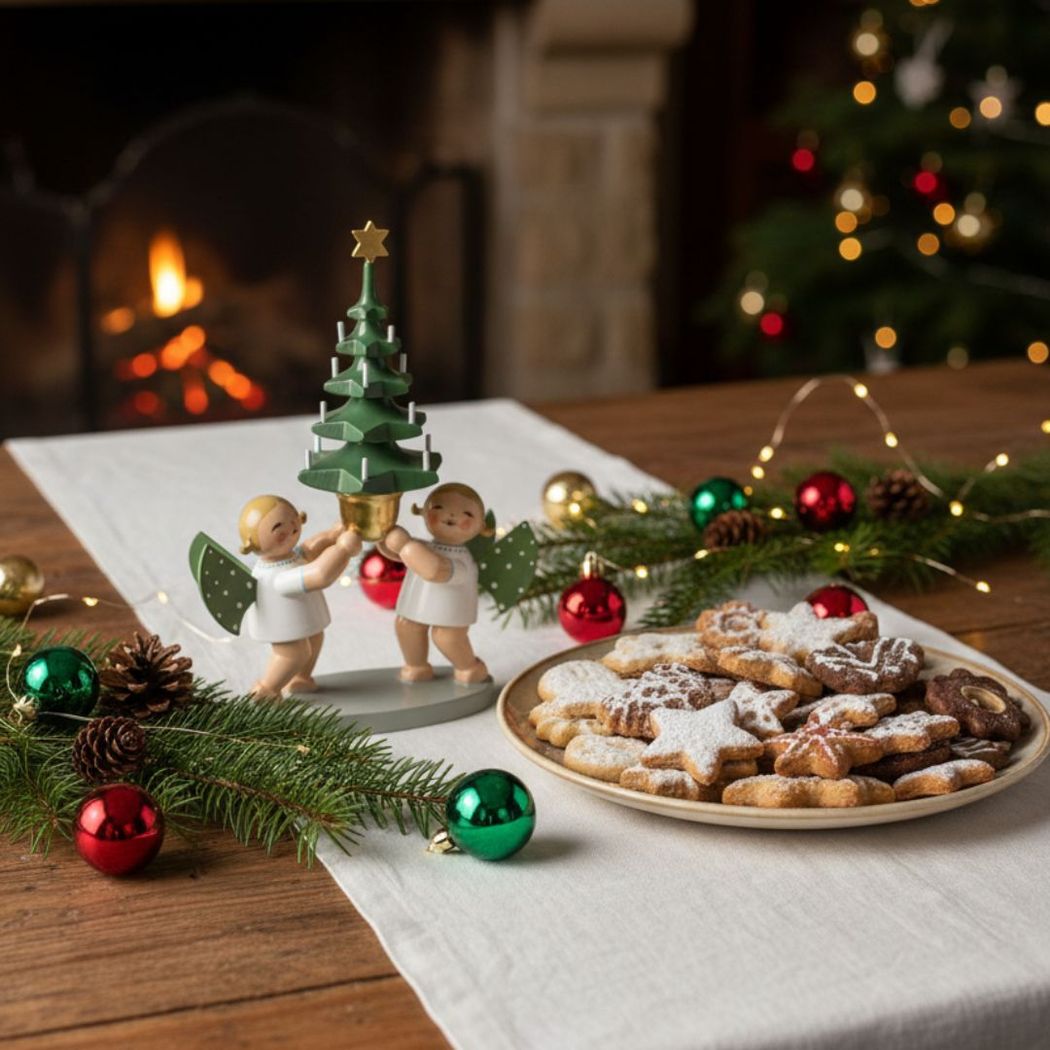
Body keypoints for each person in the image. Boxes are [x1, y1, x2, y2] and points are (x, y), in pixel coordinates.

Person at [237, 494, 361, 699]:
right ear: (253, 543)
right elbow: (320, 574)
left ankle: (299, 678)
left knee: (314, 639)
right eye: (279, 528)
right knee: (294, 654)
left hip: (303, 620)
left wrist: (333, 534)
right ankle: (265, 690)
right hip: (283, 627)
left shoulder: (290, 556)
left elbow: (311, 547)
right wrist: (343, 550)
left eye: (293, 522)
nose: (291, 530)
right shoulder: (276, 576)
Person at [380, 483, 492, 684]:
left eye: (467, 513)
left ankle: (470, 668)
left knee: (446, 638)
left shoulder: (463, 560)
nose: (451, 515)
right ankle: (416, 666)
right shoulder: (421, 546)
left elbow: (434, 570)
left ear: (481, 527)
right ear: (423, 513)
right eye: (438, 508)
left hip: (451, 611)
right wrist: (382, 535)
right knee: (407, 627)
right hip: (417, 605)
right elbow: (395, 552)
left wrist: (405, 545)